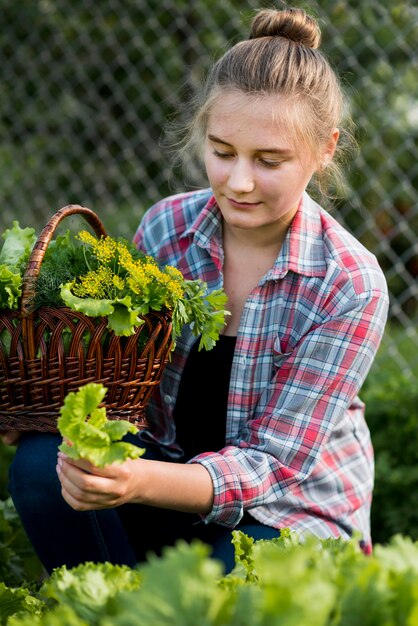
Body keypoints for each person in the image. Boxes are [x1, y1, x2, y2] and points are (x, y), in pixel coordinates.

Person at [3, 7, 389, 575]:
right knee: (43, 467)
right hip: (167, 472)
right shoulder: (166, 229)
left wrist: (136, 480)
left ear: (325, 148)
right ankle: (109, 600)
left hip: (287, 513)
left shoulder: (349, 283)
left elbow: (272, 467)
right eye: (222, 151)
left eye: (269, 160)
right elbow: (123, 383)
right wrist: (52, 412)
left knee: (214, 588)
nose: (238, 181)